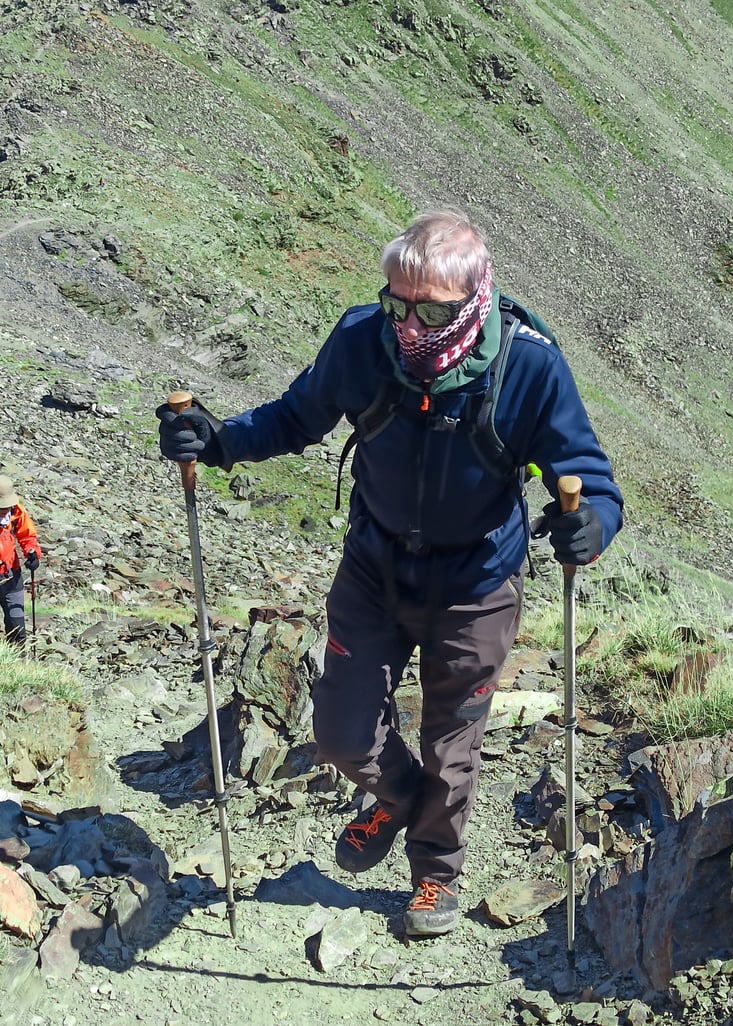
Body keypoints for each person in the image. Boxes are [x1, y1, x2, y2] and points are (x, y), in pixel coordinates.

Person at [157, 209, 623, 937]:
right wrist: (218, 443)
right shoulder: (359, 340)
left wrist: (591, 522)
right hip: (375, 569)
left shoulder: (528, 365)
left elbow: (585, 472)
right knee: (341, 732)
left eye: (429, 308)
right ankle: (398, 797)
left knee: (453, 739)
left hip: (477, 584)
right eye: (396, 302)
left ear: (472, 298)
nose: (408, 323)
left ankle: (434, 873)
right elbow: (296, 417)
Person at [0, 475, 42, 649]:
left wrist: (33, 555)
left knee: (17, 624)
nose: (5, 509)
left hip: (11, 575)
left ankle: (19, 664)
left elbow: (27, 537)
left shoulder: (17, 512)